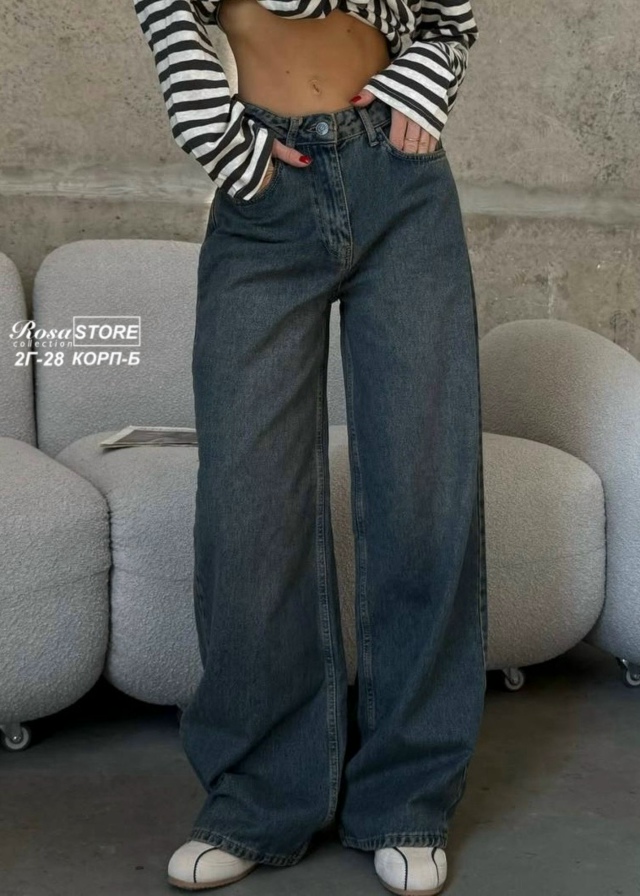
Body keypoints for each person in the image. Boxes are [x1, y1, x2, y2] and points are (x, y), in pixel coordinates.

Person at [132, 0, 487, 892]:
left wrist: (424, 82)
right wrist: (217, 132)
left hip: (401, 181)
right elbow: (166, 13)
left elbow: (450, 18)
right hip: (265, 190)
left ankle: (408, 799)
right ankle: (258, 800)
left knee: (423, 492)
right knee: (249, 509)